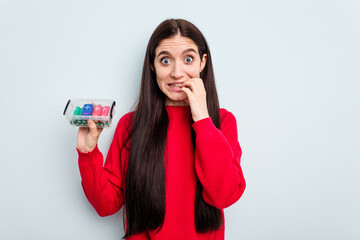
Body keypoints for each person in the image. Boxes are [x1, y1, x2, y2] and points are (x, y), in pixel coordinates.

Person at [76, 18, 246, 239]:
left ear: (202, 63)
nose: (177, 72)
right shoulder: (131, 125)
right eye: (165, 60)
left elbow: (225, 195)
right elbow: (106, 205)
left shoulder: (222, 122)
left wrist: (203, 121)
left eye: (188, 59)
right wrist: (88, 154)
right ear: (152, 65)